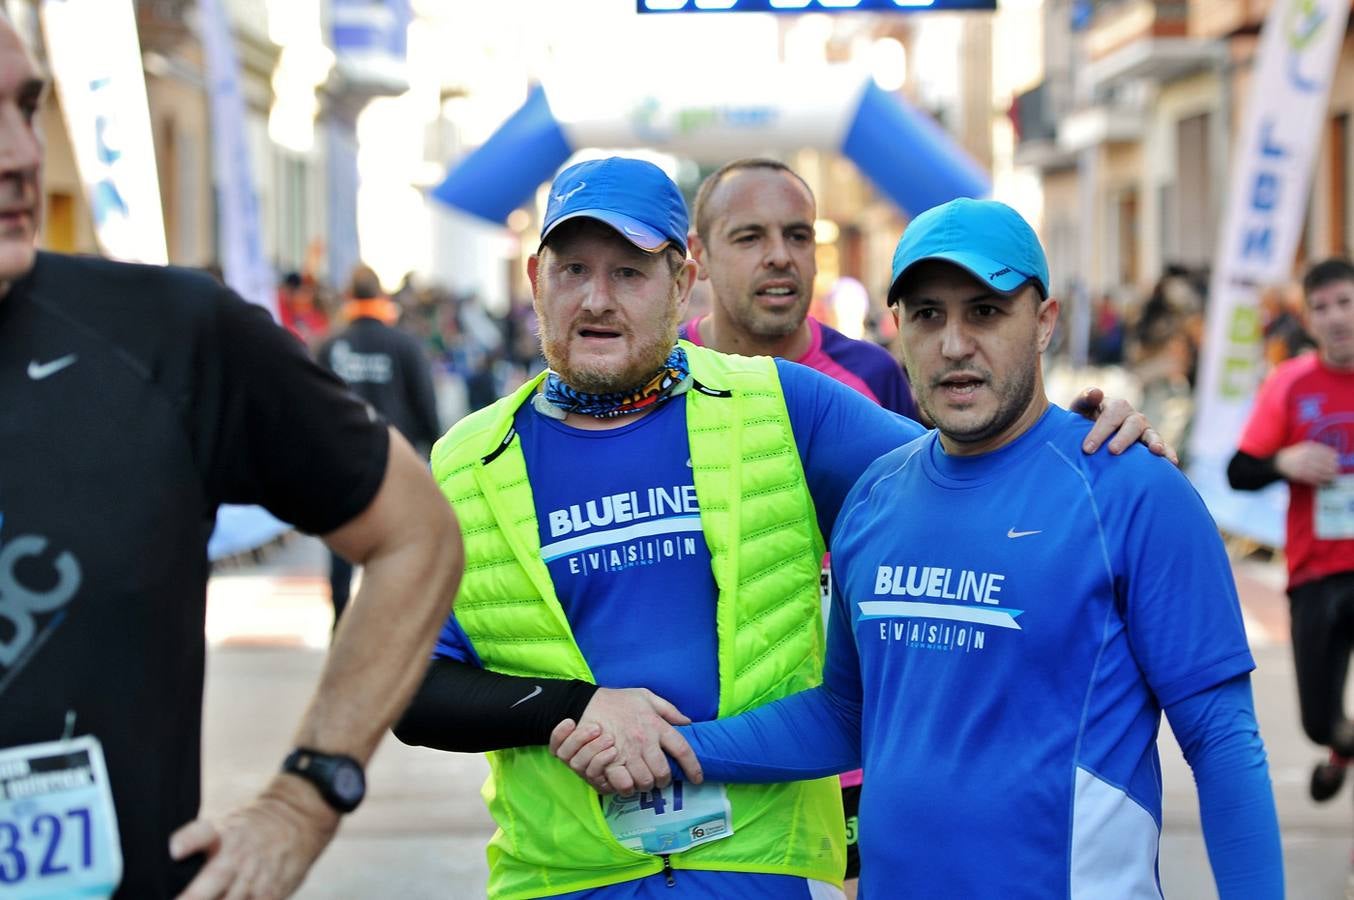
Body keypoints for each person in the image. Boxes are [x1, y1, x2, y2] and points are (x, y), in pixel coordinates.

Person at [393, 159, 1164, 899]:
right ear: (535, 280)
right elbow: (409, 688)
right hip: (561, 878)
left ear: (680, 282)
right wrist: (574, 704)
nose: (597, 299)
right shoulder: (467, 461)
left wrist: (1084, 444)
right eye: (573, 270)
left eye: (628, 272)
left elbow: (970, 476)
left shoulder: (780, 405)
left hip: (763, 867)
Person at [557, 198, 1284, 897]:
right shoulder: (877, 496)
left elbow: (1222, 743)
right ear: (896, 325)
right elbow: (847, 715)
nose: (955, 344)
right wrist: (673, 748)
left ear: (1044, 322)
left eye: (986, 312)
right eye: (929, 315)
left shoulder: (1129, 490)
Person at [0, 18, 463, 900]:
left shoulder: (164, 336)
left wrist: (306, 797)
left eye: (29, 107)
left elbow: (418, 533)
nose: (22, 151)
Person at [1229, 258, 1354, 804]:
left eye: (1346, 303)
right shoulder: (1291, 383)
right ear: (1307, 319)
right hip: (1315, 574)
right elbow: (1240, 470)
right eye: (1321, 308)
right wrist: (1285, 461)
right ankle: (1340, 744)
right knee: (1317, 723)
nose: (1335, 318)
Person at [682, 158, 917, 419]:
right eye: (749, 238)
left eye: (798, 236)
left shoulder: (873, 374)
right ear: (700, 254)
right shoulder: (659, 375)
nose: (781, 257)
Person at [317, 264, 442, 623]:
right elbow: (425, 406)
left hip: (341, 465)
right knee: (393, 550)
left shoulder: (331, 345)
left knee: (341, 551)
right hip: (394, 464)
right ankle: (388, 632)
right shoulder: (404, 345)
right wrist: (437, 456)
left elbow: (313, 410)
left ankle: (341, 627)